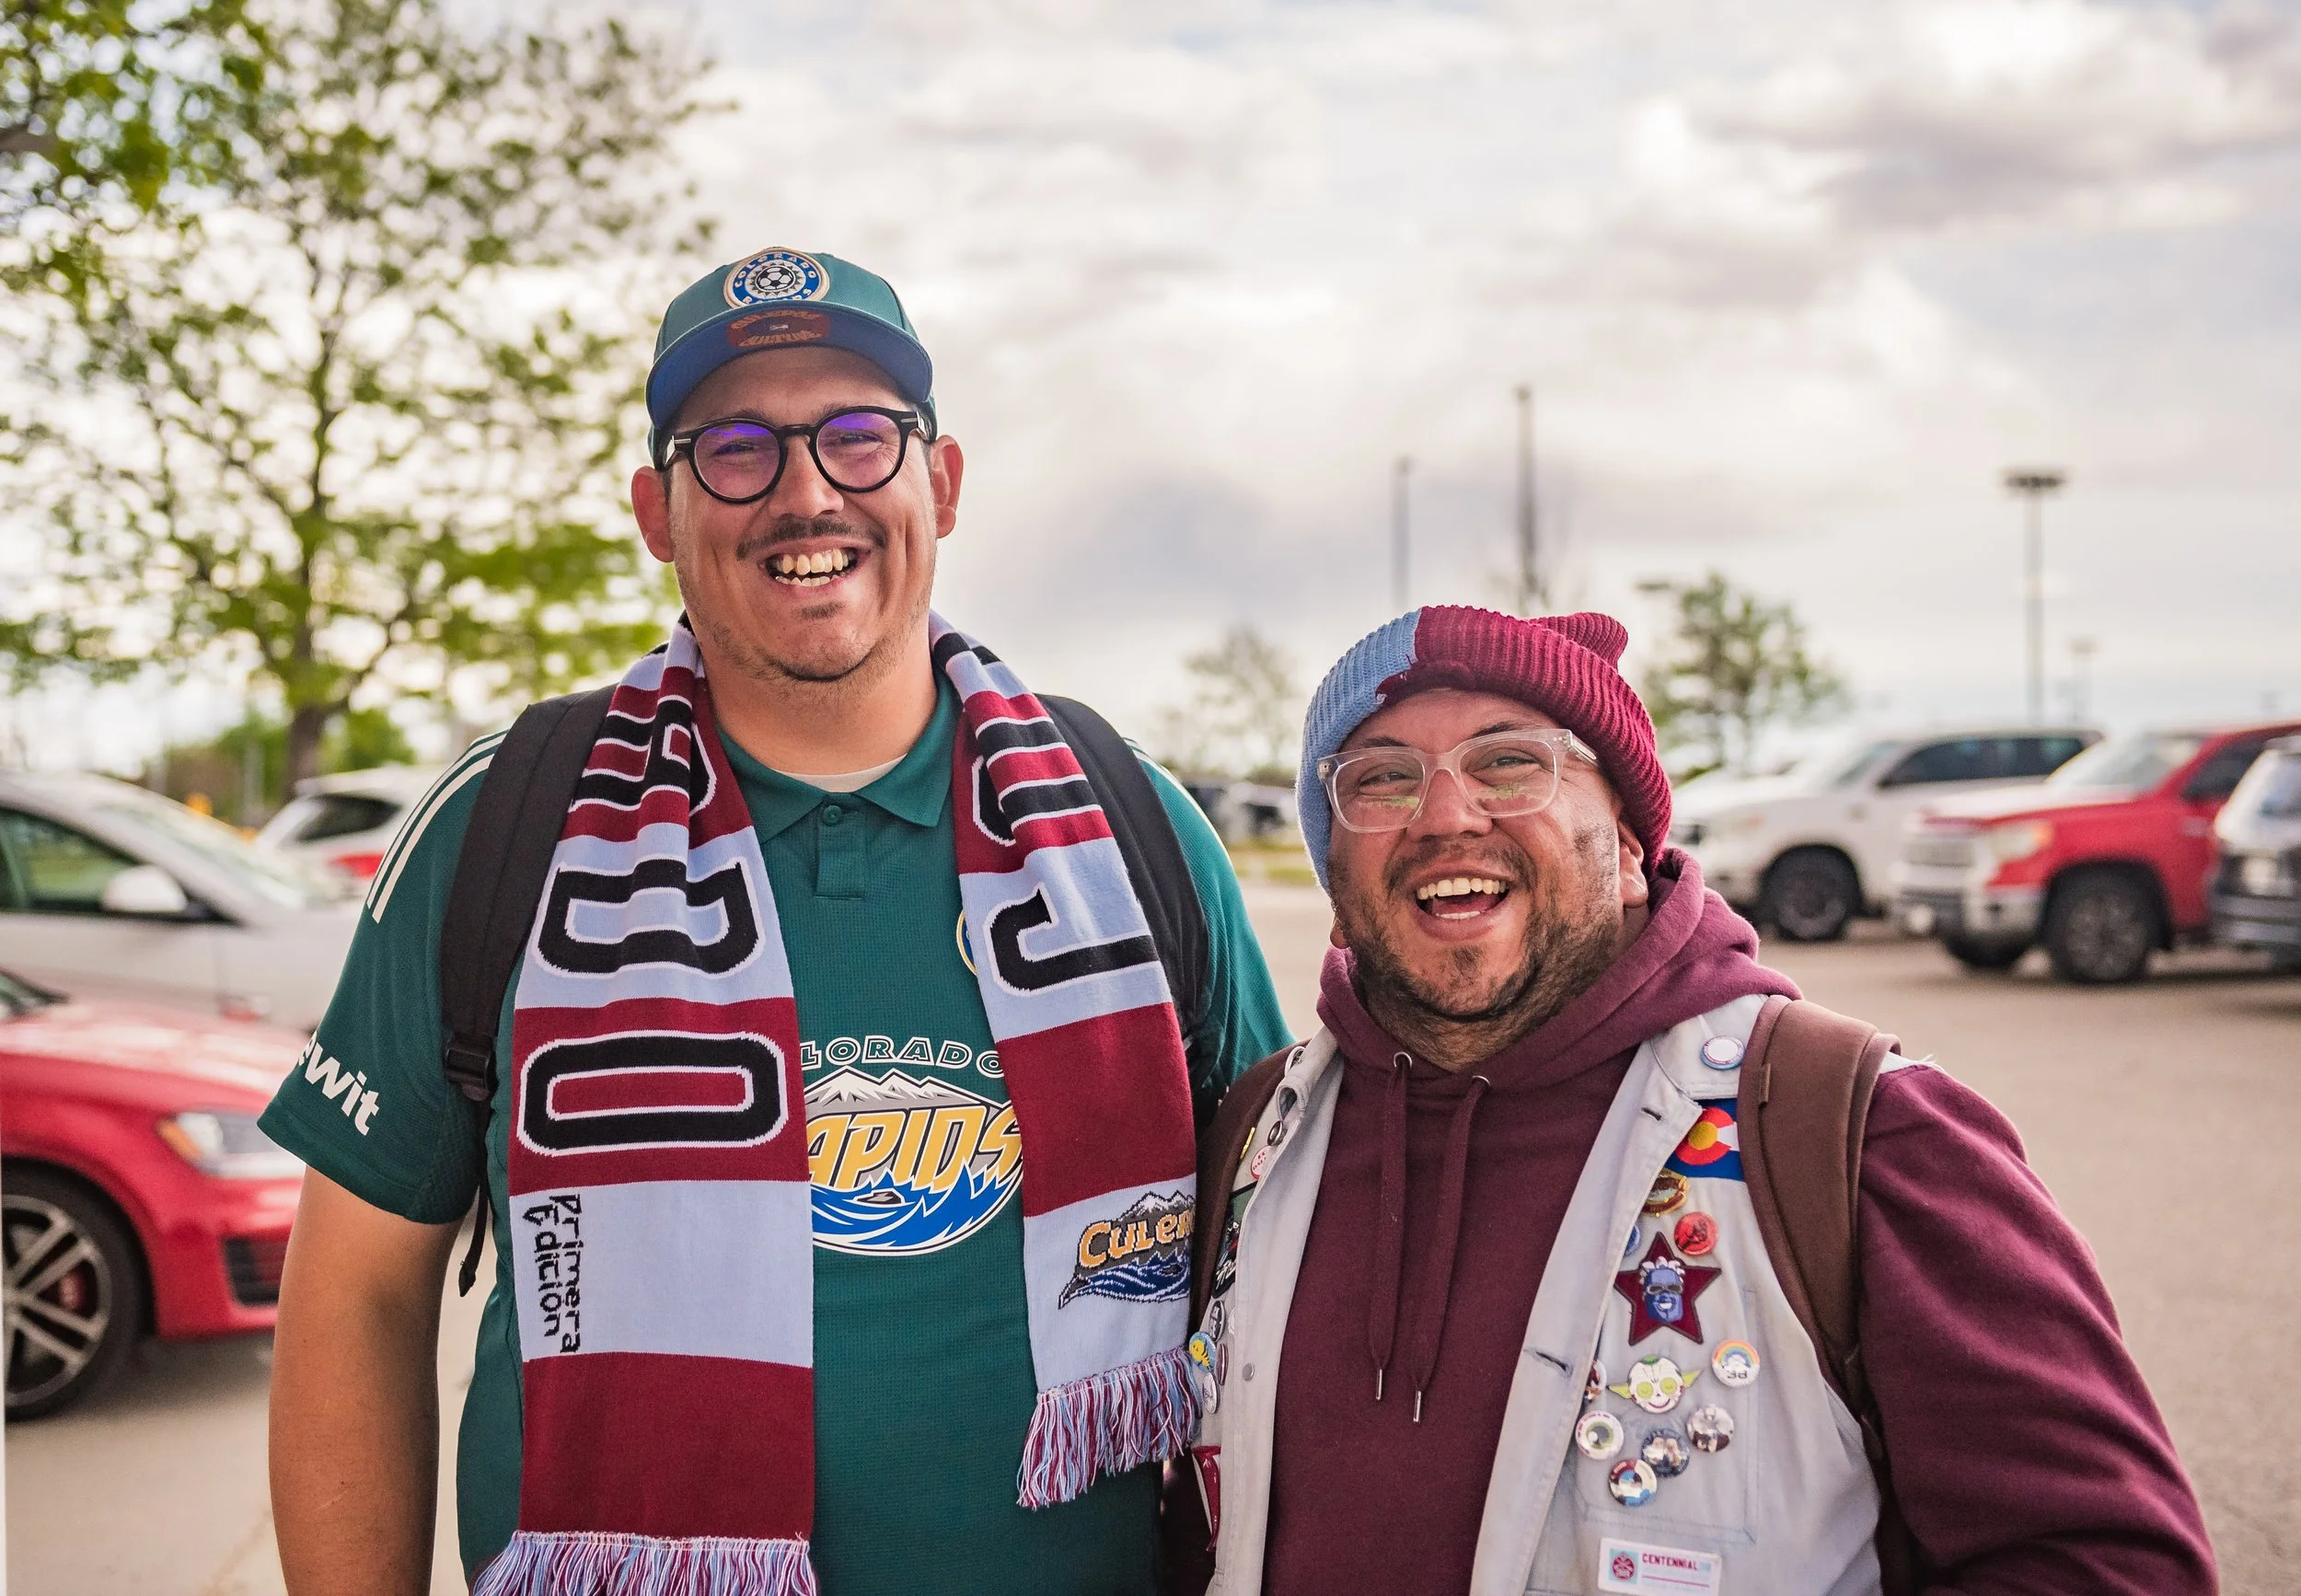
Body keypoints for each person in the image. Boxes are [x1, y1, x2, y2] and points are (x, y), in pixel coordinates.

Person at [261, 247, 1291, 1596]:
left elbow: (1283, 1252)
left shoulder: (1136, 828)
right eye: (736, 448)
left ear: (944, 481)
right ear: (656, 509)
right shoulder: (501, 827)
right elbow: (358, 1294)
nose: (809, 491)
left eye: (862, 438)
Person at [1178, 606, 2214, 1594]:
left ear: (1627, 838)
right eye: (1381, 780)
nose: (1445, 814)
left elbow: (2105, 1567)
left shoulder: (1854, 1135)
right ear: (1333, 865)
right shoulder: (1259, 1136)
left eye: (1508, 762)